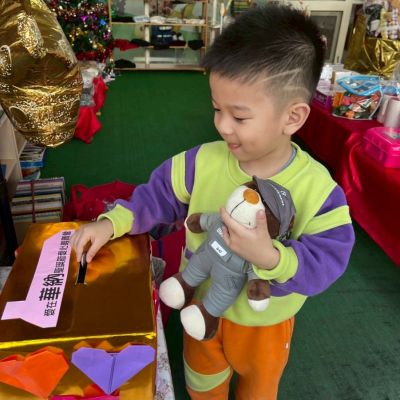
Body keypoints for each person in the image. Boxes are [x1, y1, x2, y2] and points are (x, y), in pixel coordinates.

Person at [71, 4, 355, 399]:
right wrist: (110, 223)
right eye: (217, 109)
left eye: (239, 117)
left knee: (258, 388)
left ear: (293, 117)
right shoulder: (200, 161)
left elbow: (329, 259)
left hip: (265, 324)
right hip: (199, 305)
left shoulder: (319, 189)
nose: (221, 126)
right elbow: (155, 197)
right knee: (202, 382)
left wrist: (272, 258)